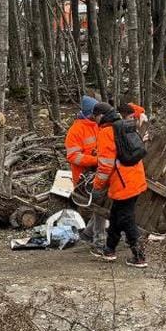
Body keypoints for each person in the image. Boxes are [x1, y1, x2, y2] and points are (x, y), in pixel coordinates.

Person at [93, 105, 148, 268]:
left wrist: (97, 186)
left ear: (101, 116)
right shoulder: (124, 125)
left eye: (94, 116)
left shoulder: (106, 133)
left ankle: (139, 256)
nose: (94, 119)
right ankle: (109, 249)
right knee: (116, 215)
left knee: (126, 218)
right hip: (135, 177)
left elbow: (105, 166)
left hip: (124, 183)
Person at [65, 95, 105, 250]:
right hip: (84, 179)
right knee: (101, 205)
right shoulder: (75, 131)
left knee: (102, 205)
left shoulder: (98, 125)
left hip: (98, 172)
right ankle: (99, 240)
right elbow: (73, 156)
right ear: (91, 113)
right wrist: (95, 160)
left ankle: (88, 233)